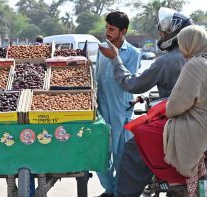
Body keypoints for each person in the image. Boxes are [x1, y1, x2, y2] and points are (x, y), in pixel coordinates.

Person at [97, 7, 194, 197]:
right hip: (196, 120)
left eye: (164, 32)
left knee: (133, 147)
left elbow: (132, 84)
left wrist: (116, 59)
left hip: (174, 120)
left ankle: (125, 193)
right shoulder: (198, 59)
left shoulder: (164, 61)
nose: (160, 34)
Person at [132, 24, 207, 196]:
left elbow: (174, 107)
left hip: (197, 127)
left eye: (182, 44)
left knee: (141, 131)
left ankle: (173, 176)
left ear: (189, 44)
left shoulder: (194, 65)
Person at [95, 11, 141, 197]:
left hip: (121, 110)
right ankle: (110, 189)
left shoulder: (133, 53)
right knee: (100, 154)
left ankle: (118, 192)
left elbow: (128, 81)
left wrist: (115, 57)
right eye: (106, 28)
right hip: (101, 109)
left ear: (123, 31)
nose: (108, 32)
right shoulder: (102, 48)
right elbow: (98, 77)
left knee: (121, 156)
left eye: (112, 29)